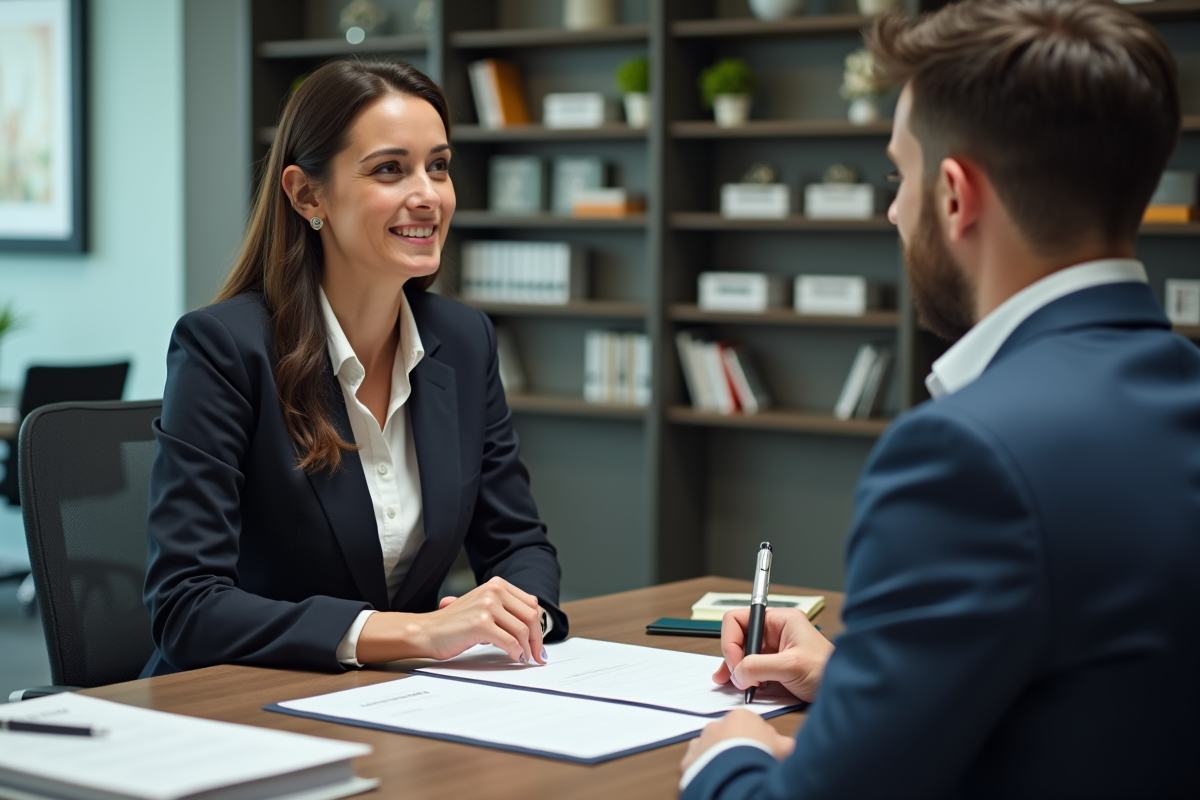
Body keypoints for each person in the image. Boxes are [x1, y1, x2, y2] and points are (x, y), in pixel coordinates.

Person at [680, 1, 1200, 797]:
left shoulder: (968, 454)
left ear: (955, 196)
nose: (893, 209)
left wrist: (729, 754)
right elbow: (1096, 700)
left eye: (900, 175)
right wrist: (859, 680)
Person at [141, 60, 566, 677]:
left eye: (439, 166)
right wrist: (415, 633)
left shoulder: (464, 341)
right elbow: (187, 607)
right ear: (307, 194)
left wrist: (522, 617)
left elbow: (518, 545)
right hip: (243, 707)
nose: (428, 195)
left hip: (406, 704)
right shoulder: (224, 349)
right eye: (390, 169)